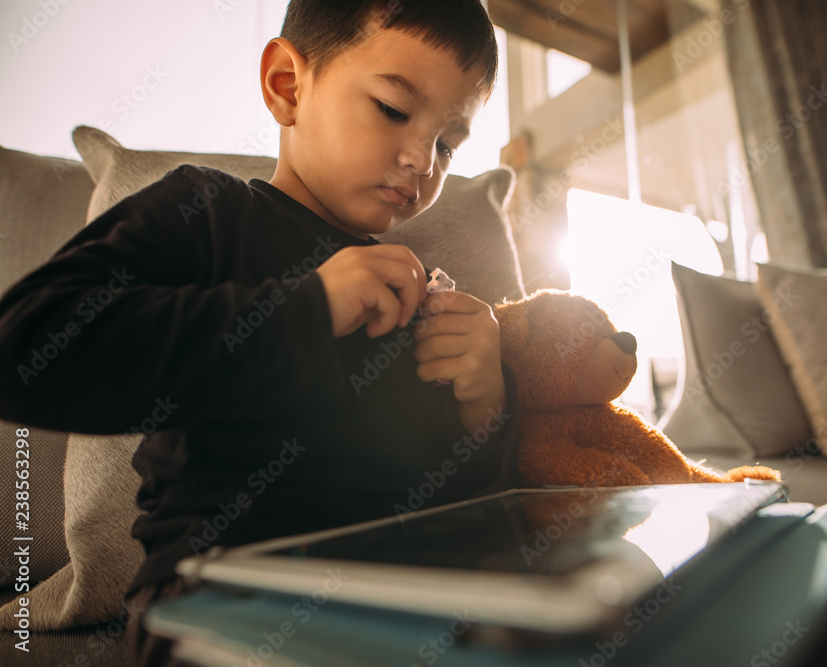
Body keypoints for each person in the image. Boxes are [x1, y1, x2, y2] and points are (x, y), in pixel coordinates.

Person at [0, 1, 516, 664]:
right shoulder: (210, 214)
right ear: (287, 85)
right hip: (218, 598)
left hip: (404, 599)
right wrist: (308, 310)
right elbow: (28, 351)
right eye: (392, 108)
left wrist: (484, 411)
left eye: (448, 143)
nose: (422, 159)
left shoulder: (420, 290)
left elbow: (455, 504)